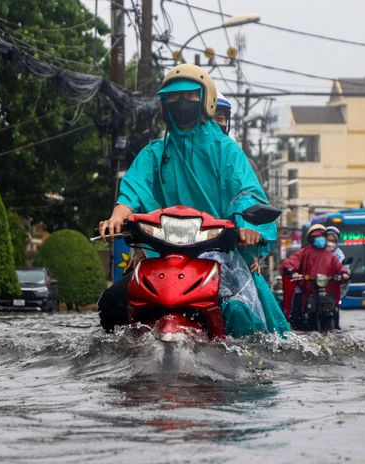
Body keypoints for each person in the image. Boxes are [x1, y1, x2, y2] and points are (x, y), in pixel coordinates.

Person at [97, 63, 290, 338]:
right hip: (162, 253)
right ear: (164, 104)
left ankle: (243, 367)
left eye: (189, 95)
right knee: (112, 303)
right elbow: (132, 189)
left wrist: (249, 229)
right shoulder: (155, 152)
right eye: (173, 97)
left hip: (218, 253)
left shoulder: (227, 151)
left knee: (240, 312)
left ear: (205, 100)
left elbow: (245, 194)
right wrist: (117, 217)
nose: (182, 102)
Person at [279, 224, 350, 329]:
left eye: (322, 236)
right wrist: (293, 272)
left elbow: (340, 268)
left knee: (334, 308)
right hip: (306, 288)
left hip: (326, 289)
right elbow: (290, 263)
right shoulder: (304, 253)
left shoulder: (331, 255)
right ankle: (294, 323)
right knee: (296, 307)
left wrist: (344, 274)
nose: (321, 239)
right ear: (311, 239)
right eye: (317, 236)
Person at [325, 226, 350, 298]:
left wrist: (344, 275)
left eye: (333, 241)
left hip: (332, 289)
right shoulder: (317, 252)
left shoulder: (339, 256)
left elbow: (343, 269)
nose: (330, 243)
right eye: (328, 240)